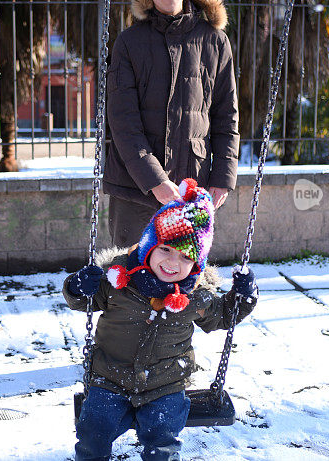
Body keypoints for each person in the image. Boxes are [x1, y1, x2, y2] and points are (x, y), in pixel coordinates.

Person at [64, 179, 258, 461]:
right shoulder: (117, 280)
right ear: (149, 247)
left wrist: (244, 297)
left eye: (184, 257)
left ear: (196, 265)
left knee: (162, 444)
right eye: (164, 249)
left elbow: (223, 316)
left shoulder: (195, 297)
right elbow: (83, 301)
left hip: (165, 385)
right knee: (93, 435)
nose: (172, 262)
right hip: (109, 378)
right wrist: (77, 287)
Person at [103, 0, 239, 248]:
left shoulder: (215, 42)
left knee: (184, 284)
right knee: (128, 282)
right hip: (134, 190)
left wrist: (222, 178)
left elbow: (226, 116)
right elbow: (123, 122)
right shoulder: (129, 43)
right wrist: (155, 182)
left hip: (193, 184)